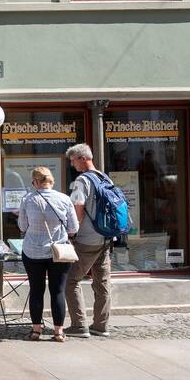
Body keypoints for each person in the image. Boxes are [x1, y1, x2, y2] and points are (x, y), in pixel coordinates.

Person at [16, 165, 78, 342]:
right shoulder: (64, 199)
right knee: (58, 291)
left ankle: (36, 330)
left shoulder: (28, 199)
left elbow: (22, 226)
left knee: (36, 290)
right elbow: (73, 228)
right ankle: (58, 332)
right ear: (51, 180)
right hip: (58, 252)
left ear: (35, 181)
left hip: (33, 251)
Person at [65, 142, 114, 337]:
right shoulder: (104, 177)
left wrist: (72, 232)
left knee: (70, 280)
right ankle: (101, 326)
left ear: (83, 159)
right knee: (102, 283)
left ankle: (79, 325)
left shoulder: (82, 181)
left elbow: (78, 206)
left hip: (87, 239)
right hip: (106, 237)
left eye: (73, 160)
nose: (72, 165)